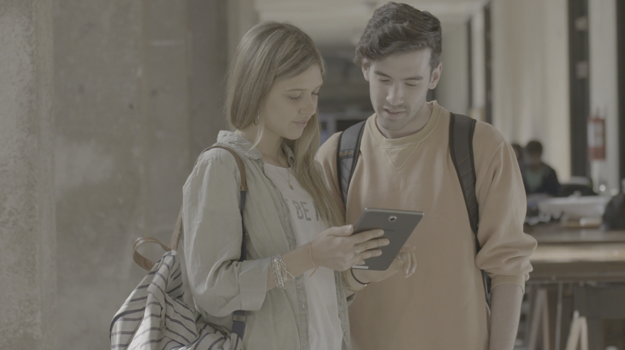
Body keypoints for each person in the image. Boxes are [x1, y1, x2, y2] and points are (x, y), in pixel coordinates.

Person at [178, 22, 416, 350]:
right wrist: (310, 255)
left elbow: (314, 295)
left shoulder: (308, 173)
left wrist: (361, 274)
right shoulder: (222, 167)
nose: (310, 107)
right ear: (256, 89)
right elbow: (212, 290)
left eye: (315, 93)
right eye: (295, 95)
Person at [315, 3, 537, 350]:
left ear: (434, 77)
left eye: (412, 82)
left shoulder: (480, 146)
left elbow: (508, 268)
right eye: (383, 79)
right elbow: (319, 274)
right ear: (365, 68)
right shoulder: (336, 156)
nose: (394, 97)